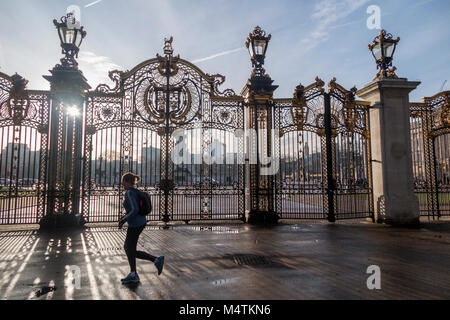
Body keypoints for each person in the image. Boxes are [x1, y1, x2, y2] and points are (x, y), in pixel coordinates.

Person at [119, 172, 164, 284]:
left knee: (129, 248)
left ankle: (155, 260)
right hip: (140, 222)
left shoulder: (129, 192)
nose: (122, 184)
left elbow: (135, 210)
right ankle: (134, 273)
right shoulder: (134, 191)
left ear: (127, 182)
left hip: (135, 224)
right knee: (130, 248)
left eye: (123, 182)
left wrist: (123, 220)